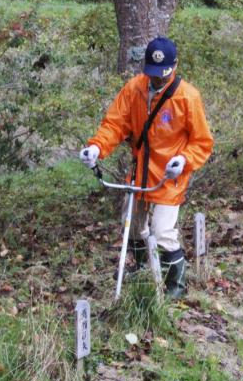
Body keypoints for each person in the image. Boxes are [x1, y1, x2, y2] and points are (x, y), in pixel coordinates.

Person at [79, 37, 214, 299]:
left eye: (162, 76)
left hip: (169, 177)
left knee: (162, 233)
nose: (157, 81)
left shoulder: (188, 97)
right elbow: (115, 125)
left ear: (174, 67)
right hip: (140, 173)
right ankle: (144, 272)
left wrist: (184, 160)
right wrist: (96, 147)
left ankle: (175, 288)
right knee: (133, 226)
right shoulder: (134, 89)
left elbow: (202, 142)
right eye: (152, 75)